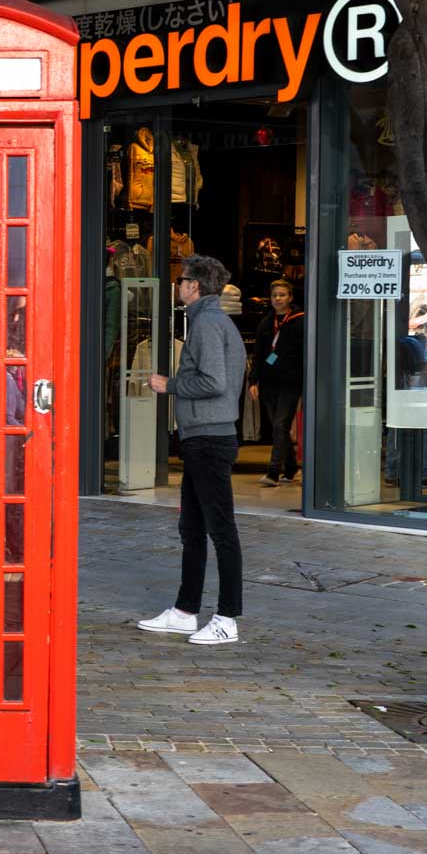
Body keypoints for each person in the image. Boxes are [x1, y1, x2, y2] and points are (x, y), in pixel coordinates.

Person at [140, 255, 247, 646]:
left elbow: (214, 382)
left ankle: (228, 619)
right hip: (203, 436)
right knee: (193, 528)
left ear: (195, 287)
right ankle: (186, 612)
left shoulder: (205, 323)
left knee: (221, 530)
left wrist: (170, 385)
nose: (178, 285)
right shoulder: (216, 322)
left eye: (182, 280)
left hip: (209, 438)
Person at [250, 280, 305, 486]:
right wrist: (253, 381)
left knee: (281, 425)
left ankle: (273, 472)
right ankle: (291, 468)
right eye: (275, 296)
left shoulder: (300, 321)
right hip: (269, 383)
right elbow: (258, 354)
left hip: (291, 383)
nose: (278, 299)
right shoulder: (266, 322)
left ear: (290, 297)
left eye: (282, 295)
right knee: (278, 427)